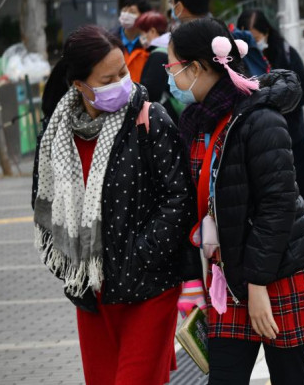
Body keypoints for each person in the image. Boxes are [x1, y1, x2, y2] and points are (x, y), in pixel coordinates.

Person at [33, 25, 203, 385]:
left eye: (123, 72)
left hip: (148, 287)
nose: (121, 83)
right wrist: (71, 268)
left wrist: (142, 254)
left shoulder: (148, 118)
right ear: (79, 85)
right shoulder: (57, 134)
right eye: (108, 78)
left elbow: (179, 197)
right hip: (91, 291)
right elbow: (43, 207)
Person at [168, 18, 304, 384]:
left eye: (172, 68)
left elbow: (278, 206)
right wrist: (194, 280)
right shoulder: (196, 122)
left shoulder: (260, 119)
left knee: (289, 377)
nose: (171, 79)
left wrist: (257, 286)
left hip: (277, 272)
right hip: (227, 279)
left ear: (196, 68)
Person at [235, 10, 304, 250]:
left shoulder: (285, 52)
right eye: (247, 37)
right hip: (262, 141)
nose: (253, 41)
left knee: (303, 194)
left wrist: (278, 103)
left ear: (267, 32)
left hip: (293, 135)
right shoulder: (240, 59)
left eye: (257, 35)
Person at [136, 10, 181, 123]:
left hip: (167, 113)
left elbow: (150, 91)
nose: (141, 37)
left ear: (152, 31)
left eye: (142, 33)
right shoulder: (172, 48)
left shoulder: (158, 55)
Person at [116, 0, 152, 83]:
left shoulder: (150, 43)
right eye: (124, 10)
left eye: (132, 12)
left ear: (144, 16)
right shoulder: (110, 41)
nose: (126, 14)